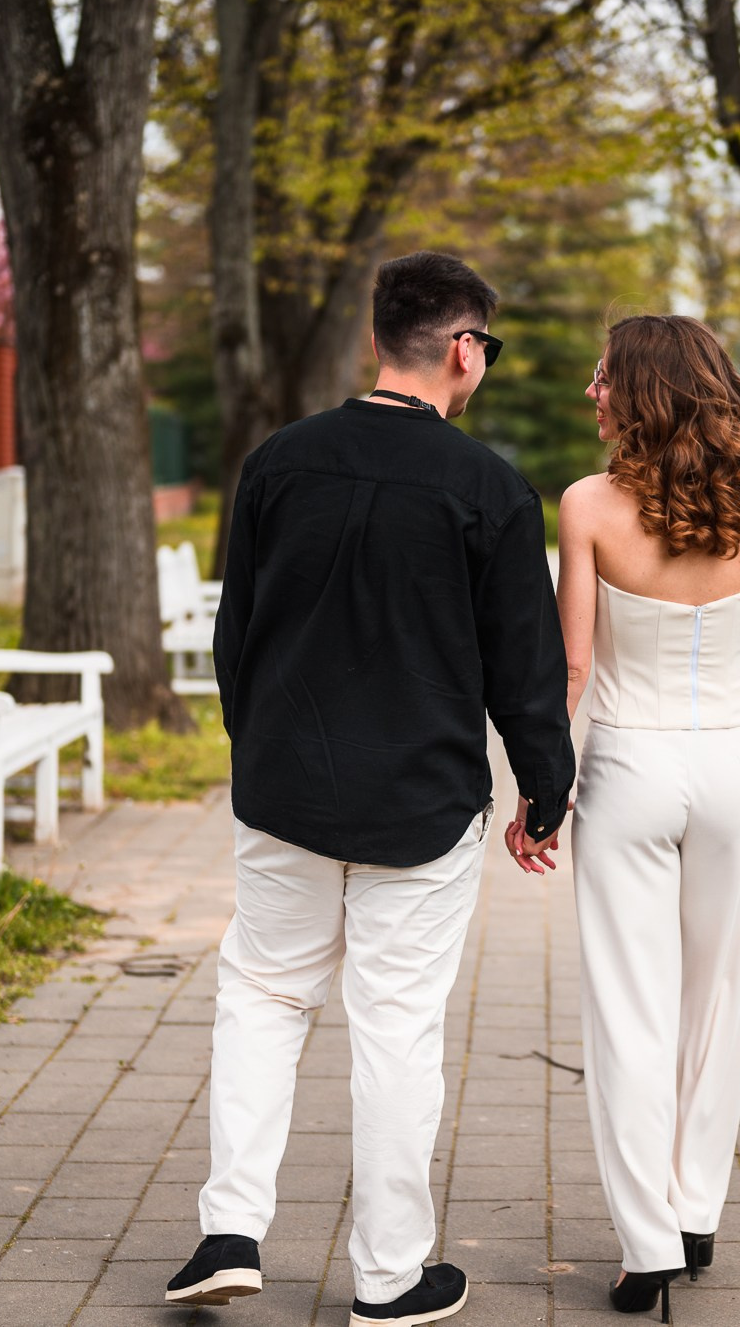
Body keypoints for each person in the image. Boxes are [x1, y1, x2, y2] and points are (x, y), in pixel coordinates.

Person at [166, 251, 575, 1326]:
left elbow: (235, 631)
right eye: (485, 345)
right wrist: (546, 789)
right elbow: (522, 669)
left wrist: (253, 747)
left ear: (375, 338)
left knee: (261, 994)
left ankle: (229, 1228)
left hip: (283, 790)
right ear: (460, 348)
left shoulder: (276, 463)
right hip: (422, 804)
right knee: (394, 1028)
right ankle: (390, 1277)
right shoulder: (489, 489)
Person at [532, 314, 740, 1323]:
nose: (590, 393)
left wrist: (536, 792)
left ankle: (645, 1245)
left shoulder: (589, 505)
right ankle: (695, 1213)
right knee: (716, 997)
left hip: (629, 765)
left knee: (627, 1006)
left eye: (602, 378)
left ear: (641, 390)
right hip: (733, 759)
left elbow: (571, 667)